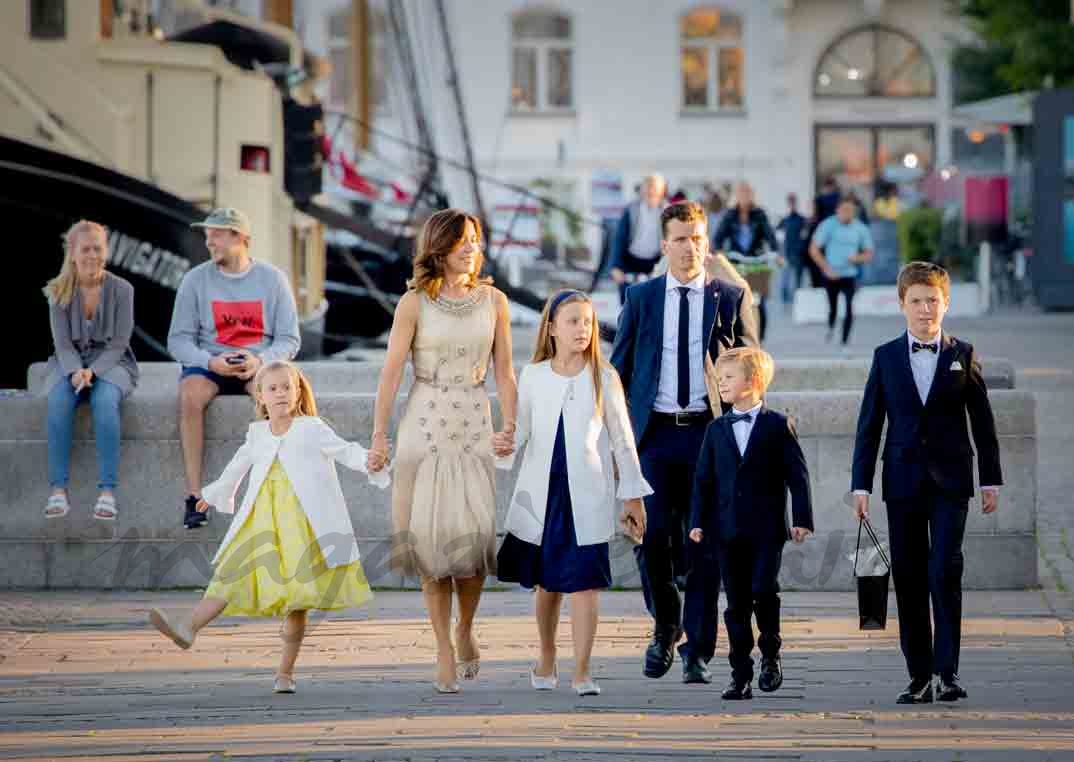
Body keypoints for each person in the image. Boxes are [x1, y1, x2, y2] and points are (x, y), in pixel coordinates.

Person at [148, 361, 386, 693]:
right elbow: (237, 468)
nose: (280, 394)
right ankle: (189, 627)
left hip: (302, 524)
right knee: (232, 572)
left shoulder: (311, 428)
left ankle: (285, 672)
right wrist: (212, 494)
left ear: (298, 391)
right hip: (262, 519)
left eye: (287, 387)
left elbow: (345, 451)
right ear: (260, 396)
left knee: (297, 599)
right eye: (272, 389)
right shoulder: (257, 434)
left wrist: (368, 460)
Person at [366, 208, 517, 694]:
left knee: (471, 545)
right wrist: (379, 434)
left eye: (475, 238)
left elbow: (506, 372)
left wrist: (509, 424)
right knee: (432, 549)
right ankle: (443, 650)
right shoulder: (413, 302)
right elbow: (391, 372)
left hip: (474, 421)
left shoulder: (494, 301)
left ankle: (466, 629)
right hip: (425, 424)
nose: (471, 247)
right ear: (439, 248)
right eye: (461, 241)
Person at [610, 201, 758, 684]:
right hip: (653, 435)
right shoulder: (641, 297)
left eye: (697, 237)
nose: (689, 247)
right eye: (679, 238)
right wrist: (613, 435)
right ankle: (665, 625)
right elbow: (621, 370)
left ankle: (697, 650)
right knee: (650, 537)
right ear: (664, 244)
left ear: (706, 242)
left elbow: (753, 369)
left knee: (703, 547)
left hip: (707, 436)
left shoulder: (729, 297)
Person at [851, 262, 1002, 704]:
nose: (924, 309)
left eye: (932, 300)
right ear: (902, 305)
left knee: (944, 570)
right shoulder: (884, 357)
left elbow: (984, 423)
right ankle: (918, 676)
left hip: (952, 481)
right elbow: (868, 426)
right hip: (901, 482)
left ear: (946, 303)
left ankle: (947, 673)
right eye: (915, 301)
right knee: (912, 577)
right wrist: (860, 486)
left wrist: (991, 479)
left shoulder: (964, 354)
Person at [495, 290, 649, 697]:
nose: (582, 329)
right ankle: (546, 657)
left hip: (589, 495)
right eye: (573, 321)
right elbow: (521, 431)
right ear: (551, 328)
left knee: (585, 584)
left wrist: (632, 496)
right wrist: (504, 443)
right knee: (547, 586)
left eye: (587, 321)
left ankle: (582, 670)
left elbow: (622, 440)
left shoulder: (605, 375)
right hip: (542, 496)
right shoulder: (533, 376)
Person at [688, 347, 813, 698]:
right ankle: (740, 672)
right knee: (736, 602)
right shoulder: (715, 429)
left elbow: (797, 475)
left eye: (728, 378)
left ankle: (771, 655)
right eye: (718, 379)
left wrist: (801, 518)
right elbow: (703, 480)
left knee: (763, 589)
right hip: (726, 530)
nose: (721, 384)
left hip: (767, 528)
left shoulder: (777, 424)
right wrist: (697, 520)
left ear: (753, 381)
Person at [167, 207, 300, 530]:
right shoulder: (195, 280)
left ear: (240, 238)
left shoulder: (272, 279)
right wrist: (209, 361)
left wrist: (261, 360)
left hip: (256, 364)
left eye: (217, 234)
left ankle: (278, 494)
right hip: (211, 362)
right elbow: (178, 341)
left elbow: (289, 339)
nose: (209, 241)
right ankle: (194, 497)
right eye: (207, 234)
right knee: (189, 396)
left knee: (278, 397)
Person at [42, 220, 139, 521]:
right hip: (68, 362)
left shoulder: (123, 289)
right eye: (86, 249)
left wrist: (92, 373)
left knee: (104, 402)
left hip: (114, 361)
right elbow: (62, 344)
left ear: (106, 252)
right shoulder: (58, 292)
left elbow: (120, 342)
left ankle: (107, 491)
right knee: (58, 402)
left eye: (98, 248)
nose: (92, 255)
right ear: (73, 253)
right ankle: (58, 490)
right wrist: (75, 371)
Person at [711, 182, 781, 342]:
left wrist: (776, 253)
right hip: (737, 261)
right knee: (736, 300)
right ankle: (737, 340)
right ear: (737, 197)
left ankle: (759, 340)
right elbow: (719, 237)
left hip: (757, 261)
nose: (745, 197)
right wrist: (719, 251)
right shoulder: (730, 215)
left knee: (759, 303)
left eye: (748, 194)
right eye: (741, 194)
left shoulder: (760, 214)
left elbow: (769, 235)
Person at [808, 198, 874, 346]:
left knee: (850, 308)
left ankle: (845, 341)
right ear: (837, 211)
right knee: (833, 307)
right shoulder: (828, 225)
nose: (847, 214)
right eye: (844, 210)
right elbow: (813, 249)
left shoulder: (860, 228)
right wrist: (826, 268)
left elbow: (869, 253)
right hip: (831, 274)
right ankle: (830, 326)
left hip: (850, 275)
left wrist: (857, 258)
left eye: (850, 211)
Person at [609, 174, 668, 304]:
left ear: (661, 191)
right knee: (628, 301)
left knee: (655, 301)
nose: (650, 191)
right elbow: (620, 238)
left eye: (654, 188)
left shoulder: (667, 212)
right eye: (647, 187)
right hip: (631, 261)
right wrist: (615, 266)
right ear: (642, 190)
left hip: (655, 262)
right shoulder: (631, 210)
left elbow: (670, 240)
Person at [807, 176, 842, 286]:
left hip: (821, 231)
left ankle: (822, 282)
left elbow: (814, 216)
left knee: (818, 258)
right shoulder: (839, 198)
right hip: (837, 231)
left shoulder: (819, 198)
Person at [776, 193, 809, 305]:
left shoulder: (802, 220)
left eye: (793, 202)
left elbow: (804, 236)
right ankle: (785, 300)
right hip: (786, 253)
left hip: (798, 254)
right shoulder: (784, 220)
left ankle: (798, 299)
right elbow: (778, 237)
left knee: (798, 279)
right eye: (790, 202)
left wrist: (800, 249)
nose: (792, 204)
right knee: (785, 278)